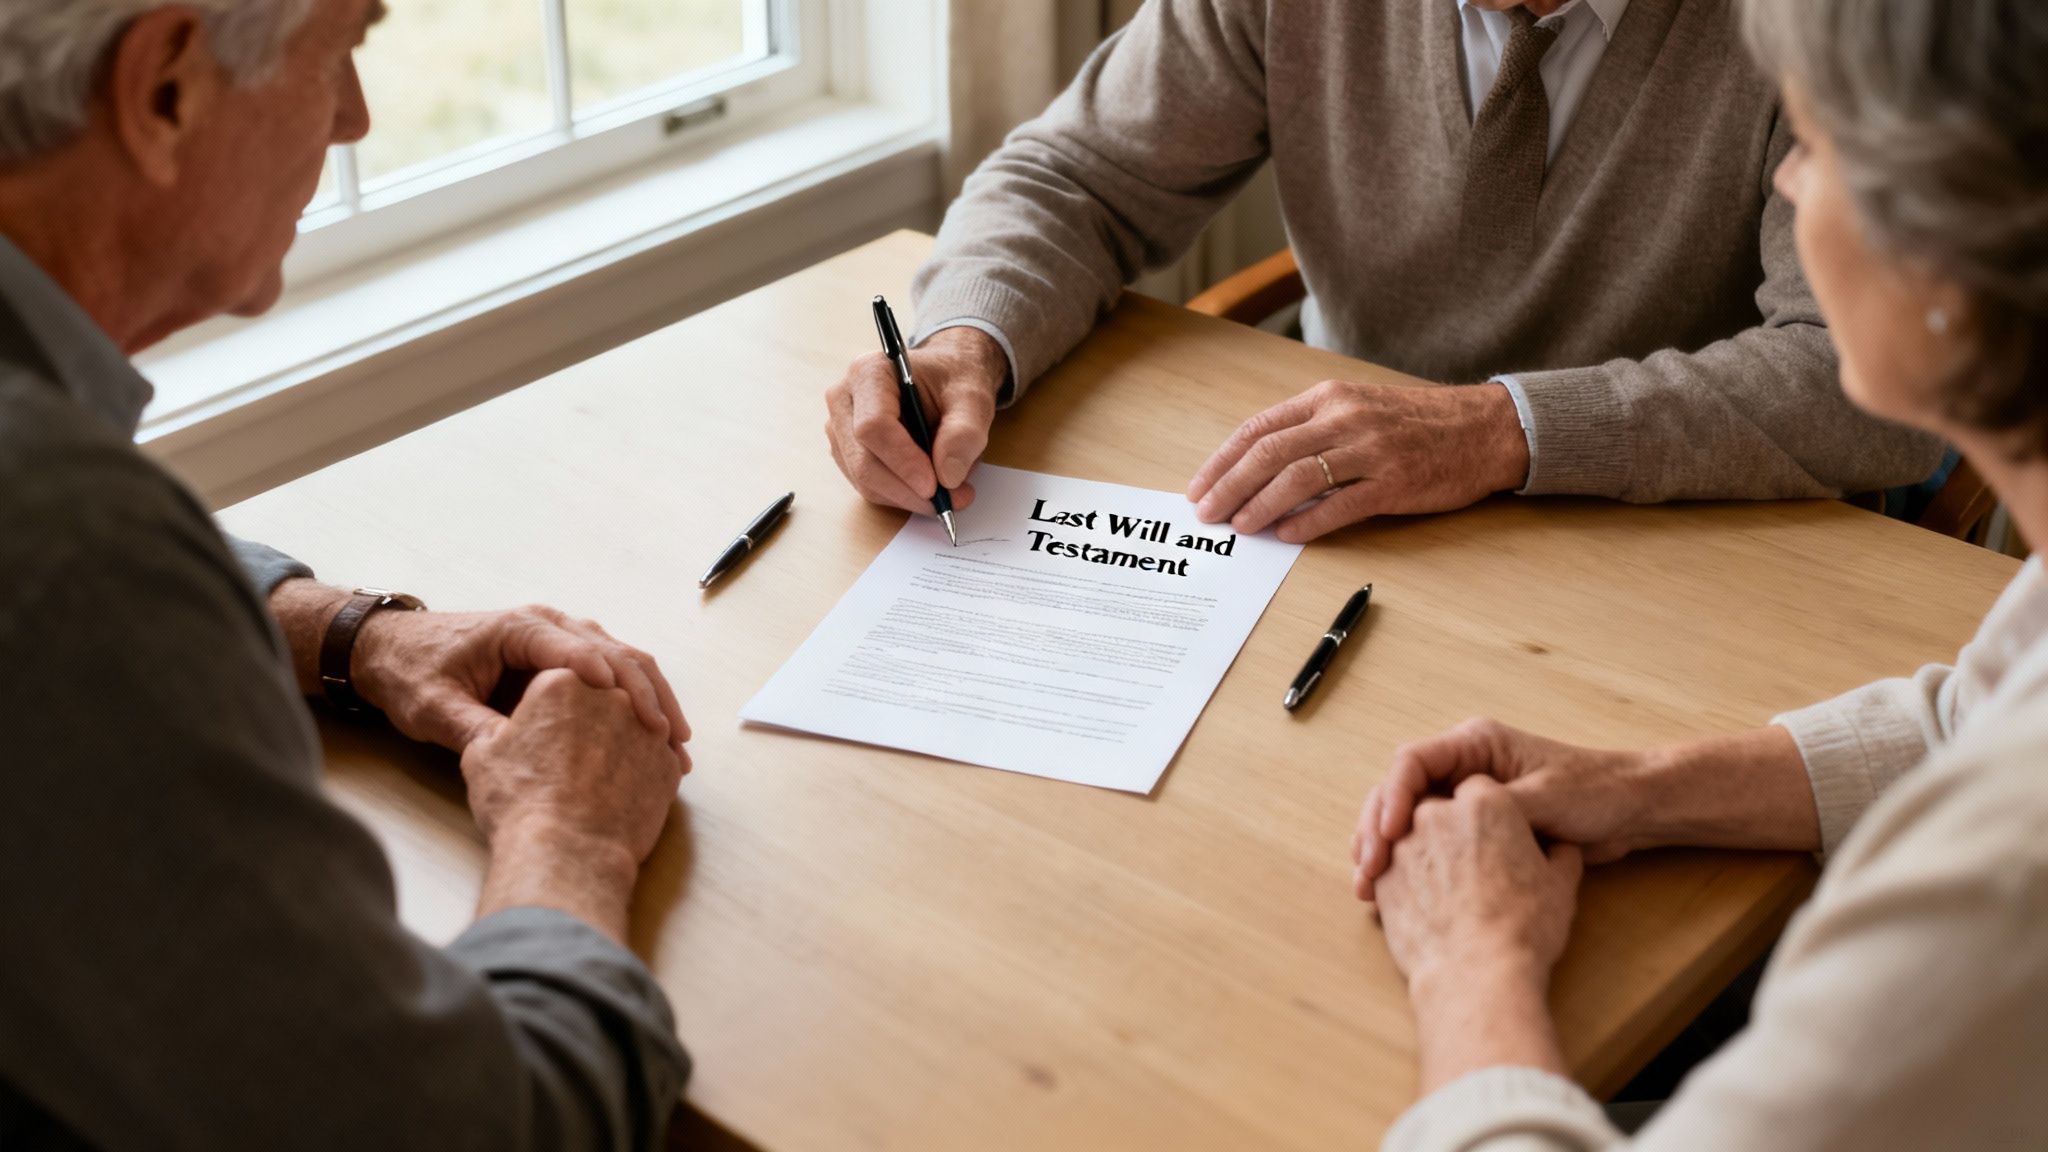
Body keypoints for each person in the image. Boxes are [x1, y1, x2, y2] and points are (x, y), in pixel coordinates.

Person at [1350, 0, 2048, 1146]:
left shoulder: (1992, 884)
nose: (1783, 186)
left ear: (1949, 241)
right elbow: (1967, 715)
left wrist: (1470, 963)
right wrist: (1637, 787)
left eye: (1813, 151)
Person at [0, 2, 696, 1148]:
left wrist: (348, 634)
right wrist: (565, 839)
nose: (356, 118)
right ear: (165, 90)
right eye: (341, 50)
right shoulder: (64, 560)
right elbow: (479, 1130)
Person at [823, 0, 1947, 545]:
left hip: (1706, 536)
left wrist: (1495, 432)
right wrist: (963, 341)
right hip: (1349, 517)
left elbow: (1869, 384)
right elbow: (1073, 176)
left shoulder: (1834, 23)